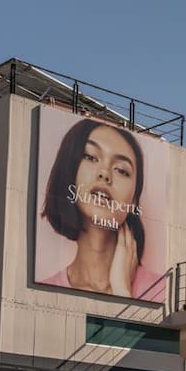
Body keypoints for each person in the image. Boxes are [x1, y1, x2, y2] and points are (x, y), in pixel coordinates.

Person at [39, 118, 158, 299]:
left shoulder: (161, 291)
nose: (105, 173)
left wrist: (122, 291)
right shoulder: (43, 292)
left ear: (134, 201)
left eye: (121, 170)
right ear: (69, 171)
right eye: (90, 157)